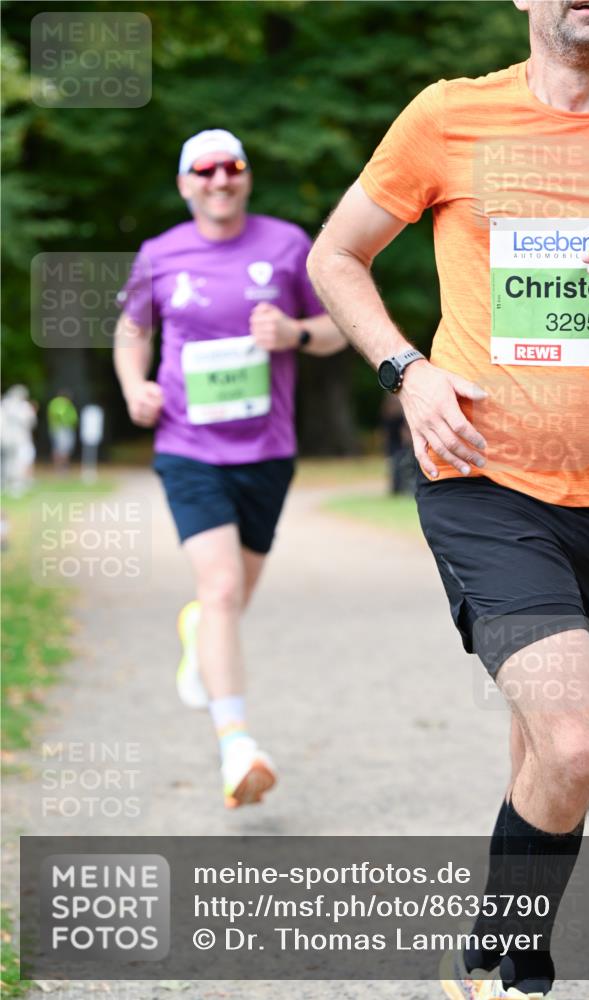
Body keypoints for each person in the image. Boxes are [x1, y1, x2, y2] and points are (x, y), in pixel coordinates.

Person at [308, 1, 589, 997]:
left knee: (544, 752)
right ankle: (504, 970)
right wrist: (406, 371)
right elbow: (334, 257)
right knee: (576, 738)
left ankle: (502, 940)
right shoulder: (447, 116)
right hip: (481, 478)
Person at [113, 129, 345, 809]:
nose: (219, 179)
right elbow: (132, 331)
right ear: (185, 184)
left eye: (232, 167)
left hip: (266, 452)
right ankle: (235, 742)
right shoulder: (159, 254)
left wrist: (296, 334)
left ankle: (196, 634)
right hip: (187, 447)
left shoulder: (287, 244)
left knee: (228, 599)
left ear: (246, 178)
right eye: (204, 170)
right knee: (218, 590)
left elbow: (336, 325)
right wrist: (135, 388)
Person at [1, 385, 37, 495]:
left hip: (6, 438)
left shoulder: (5, 404)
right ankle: (15, 484)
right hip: (18, 438)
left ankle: (6, 483)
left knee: (7, 461)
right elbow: (31, 421)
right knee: (16, 461)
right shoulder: (23, 406)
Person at [47, 390, 78, 471]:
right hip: (60, 428)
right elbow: (59, 415)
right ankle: (59, 467)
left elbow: (73, 417)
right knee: (59, 448)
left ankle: (64, 466)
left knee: (66, 448)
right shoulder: (58, 403)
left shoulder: (68, 405)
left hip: (67, 429)